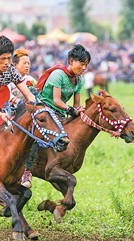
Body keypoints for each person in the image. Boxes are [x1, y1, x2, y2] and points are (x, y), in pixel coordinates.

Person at [20, 44, 91, 188]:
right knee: (35, 138)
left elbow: (76, 104)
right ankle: (27, 171)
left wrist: (81, 110)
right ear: (71, 61)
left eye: (86, 65)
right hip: (44, 110)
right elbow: (57, 100)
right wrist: (71, 110)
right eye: (81, 64)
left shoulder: (79, 80)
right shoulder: (58, 75)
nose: (84, 68)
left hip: (60, 113)